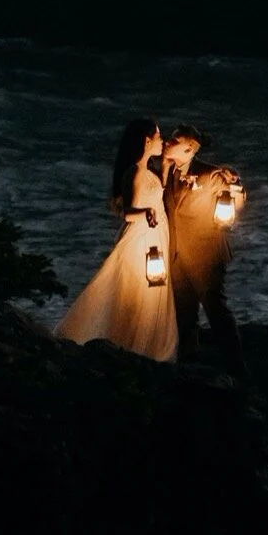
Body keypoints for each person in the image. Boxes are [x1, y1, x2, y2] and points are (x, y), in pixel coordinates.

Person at [53, 118, 178, 361]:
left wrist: (164, 169)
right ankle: (131, 346)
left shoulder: (147, 171)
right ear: (147, 140)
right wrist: (145, 213)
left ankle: (144, 347)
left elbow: (155, 193)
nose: (162, 142)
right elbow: (129, 213)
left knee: (150, 295)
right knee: (136, 294)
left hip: (155, 237)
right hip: (141, 242)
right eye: (159, 136)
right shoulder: (134, 172)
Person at [158, 124, 245, 374]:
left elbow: (236, 198)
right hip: (176, 254)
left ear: (188, 149)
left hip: (206, 253)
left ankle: (236, 365)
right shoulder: (166, 171)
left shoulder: (212, 174)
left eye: (173, 141)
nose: (166, 142)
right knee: (184, 312)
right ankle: (189, 359)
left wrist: (237, 187)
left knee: (215, 308)